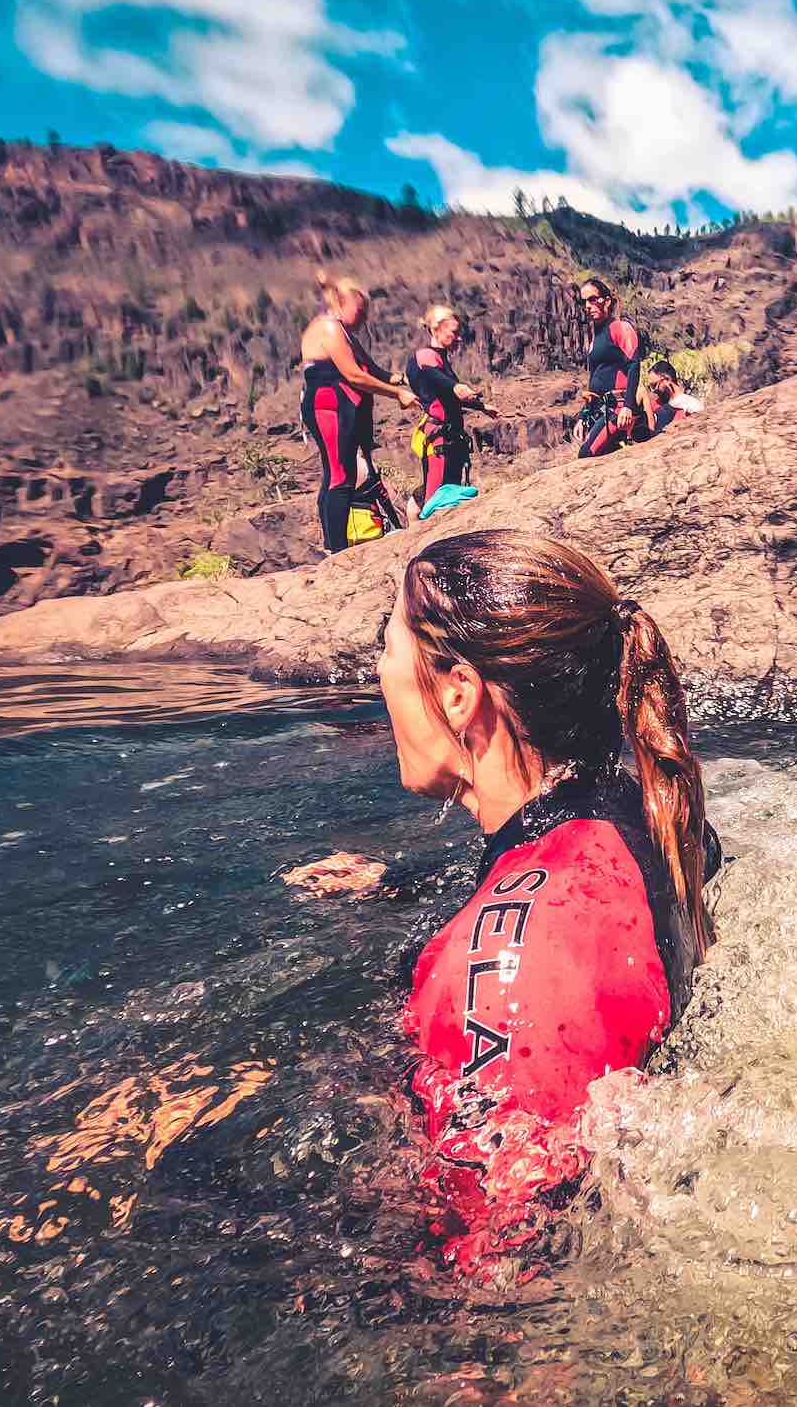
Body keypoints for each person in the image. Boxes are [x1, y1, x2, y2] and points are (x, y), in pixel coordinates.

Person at [377, 530, 721, 1269]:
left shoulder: (509, 952)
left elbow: (495, 1263)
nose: (380, 676)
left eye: (388, 649)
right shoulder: (643, 809)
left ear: (458, 691)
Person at [300, 273, 417, 553]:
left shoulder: (344, 333)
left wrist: (402, 381)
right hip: (327, 405)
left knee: (339, 473)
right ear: (343, 302)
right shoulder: (329, 328)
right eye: (361, 309)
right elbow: (354, 375)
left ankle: (333, 545)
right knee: (340, 475)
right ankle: (337, 551)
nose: (365, 316)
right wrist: (396, 394)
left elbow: (372, 370)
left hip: (339, 408)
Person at [405, 304, 490, 506]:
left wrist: (482, 407)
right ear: (436, 329)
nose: (459, 338)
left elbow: (448, 393)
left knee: (450, 496)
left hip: (451, 438)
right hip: (438, 439)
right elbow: (438, 379)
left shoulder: (440, 359)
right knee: (436, 500)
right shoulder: (425, 355)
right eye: (454, 332)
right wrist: (456, 387)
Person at [573, 277, 648, 458]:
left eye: (592, 299)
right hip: (601, 409)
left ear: (606, 301)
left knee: (586, 454)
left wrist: (628, 406)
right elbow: (595, 379)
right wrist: (583, 416)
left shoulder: (620, 328)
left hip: (619, 409)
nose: (588, 306)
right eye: (584, 302)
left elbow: (633, 365)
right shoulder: (595, 338)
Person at [643, 359, 704, 433]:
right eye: (650, 387)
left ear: (667, 379)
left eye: (655, 385)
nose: (653, 390)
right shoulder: (655, 405)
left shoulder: (691, 405)